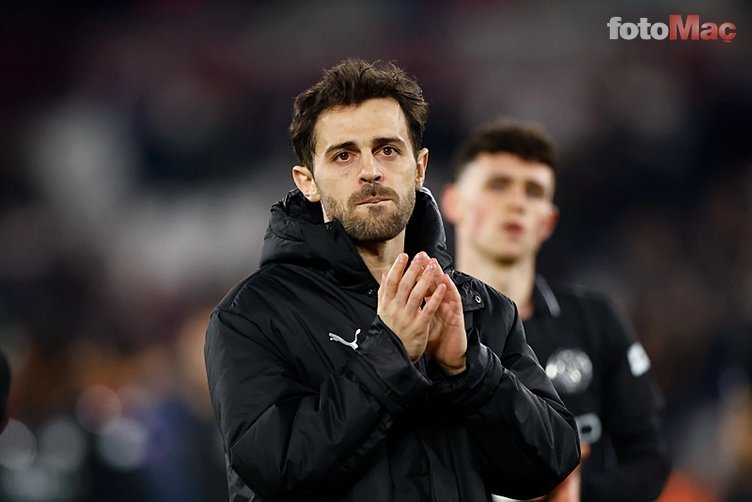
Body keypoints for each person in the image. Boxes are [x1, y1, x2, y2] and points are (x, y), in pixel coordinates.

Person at [204, 59, 580, 502]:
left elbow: (551, 461)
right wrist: (390, 355)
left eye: (387, 150)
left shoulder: (478, 309)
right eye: (344, 155)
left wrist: (469, 371)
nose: (370, 170)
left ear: (419, 167)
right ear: (307, 182)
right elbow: (276, 467)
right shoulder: (252, 316)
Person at [441, 119, 671, 502]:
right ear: (453, 202)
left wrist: (581, 496)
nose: (517, 202)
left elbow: (651, 457)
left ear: (547, 221)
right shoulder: (421, 323)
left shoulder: (595, 321)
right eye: (498, 185)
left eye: (533, 191)